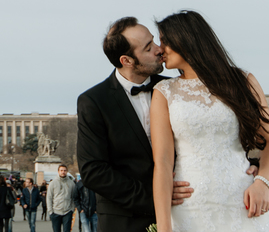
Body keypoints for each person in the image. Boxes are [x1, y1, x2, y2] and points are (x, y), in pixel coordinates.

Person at [79, 17, 255, 232]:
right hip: (125, 221)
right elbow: (93, 171)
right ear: (127, 60)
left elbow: (214, 129)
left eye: (154, 41)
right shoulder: (94, 101)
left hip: (189, 211)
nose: (159, 49)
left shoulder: (174, 89)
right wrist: (156, 196)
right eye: (148, 47)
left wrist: (252, 163)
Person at [150, 10, 269, 232]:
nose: (160, 49)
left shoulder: (243, 81)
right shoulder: (164, 91)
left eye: (165, 41)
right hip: (190, 208)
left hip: (244, 203)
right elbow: (162, 163)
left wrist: (263, 183)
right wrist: (164, 227)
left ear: (186, 39)